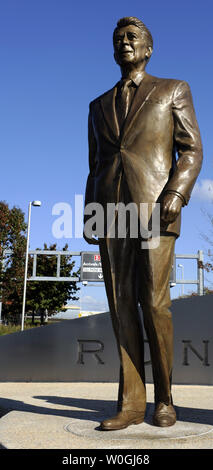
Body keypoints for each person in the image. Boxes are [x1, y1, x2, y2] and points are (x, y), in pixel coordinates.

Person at [84, 16, 203, 430]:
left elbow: (191, 151)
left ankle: (166, 398)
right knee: (120, 307)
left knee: (153, 305)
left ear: (149, 48)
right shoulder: (97, 106)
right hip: (111, 211)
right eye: (118, 38)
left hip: (157, 209)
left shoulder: (173, 90)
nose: (124, 42)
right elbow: (94, 165)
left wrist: (176, 193)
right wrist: (89, 213)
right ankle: (131, 403)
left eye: (132, 37)